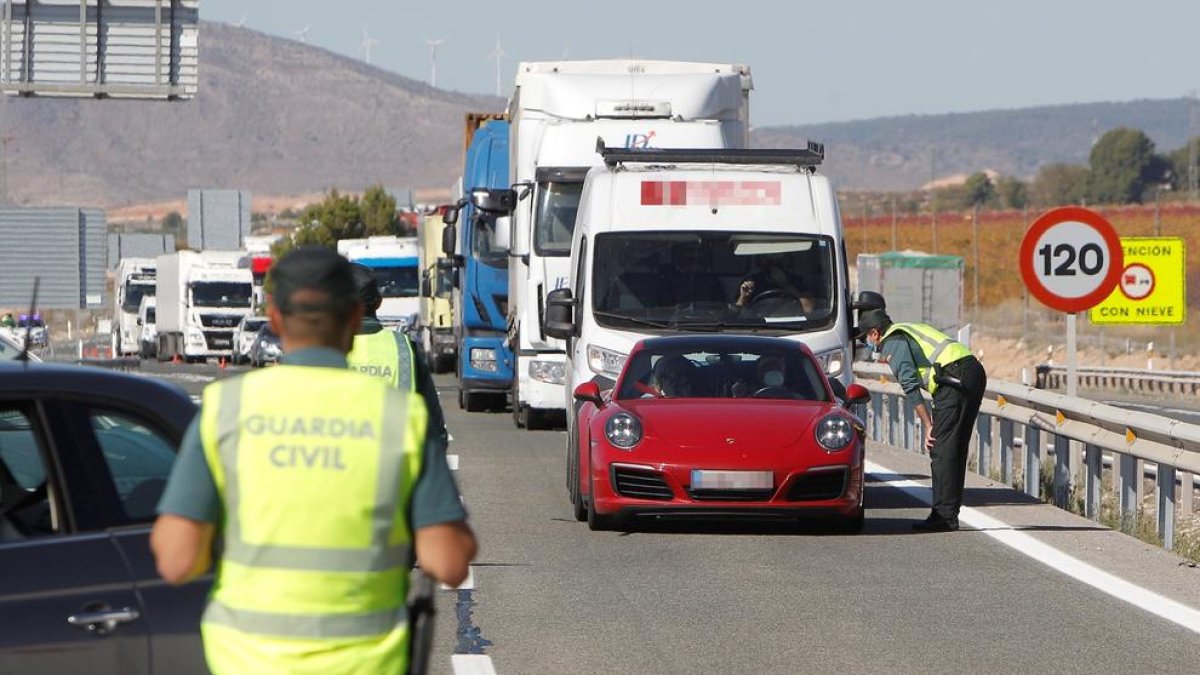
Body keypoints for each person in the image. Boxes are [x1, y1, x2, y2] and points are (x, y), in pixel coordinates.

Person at [151, 246, 476, 674]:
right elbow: (449, 562)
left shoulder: (226, 409)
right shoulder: (398, 418)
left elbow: (175, 560)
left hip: (247, 662)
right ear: (356, 318)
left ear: (275, 318)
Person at [858, 307, 987, 532]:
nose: (866, 343)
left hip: (953, 378)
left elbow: (910, 385)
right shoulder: (908, 328)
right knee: (955, 447)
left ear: (875, 333)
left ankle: (944, 517)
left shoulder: (893, 343)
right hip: (971, 371)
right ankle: (949, 512)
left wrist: (928, 425)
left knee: (941, 448)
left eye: (865, 337)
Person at [347, 263, 448, 451]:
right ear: (378, 302)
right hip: (398, 467)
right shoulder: (404, 348)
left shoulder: (325, 351)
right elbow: (434, 428)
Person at [734, 253, 814, 314]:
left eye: (779, 261)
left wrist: (786, 285)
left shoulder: (798, 281)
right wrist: (743, 298)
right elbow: (735, 314)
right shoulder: (751, 282)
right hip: (758, 324)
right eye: (771, 262)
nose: (775, 266)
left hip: (792, 322)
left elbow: (808, 310)